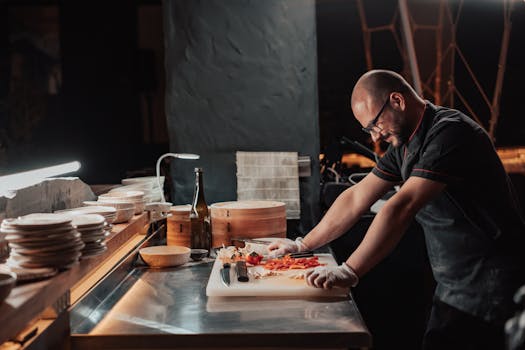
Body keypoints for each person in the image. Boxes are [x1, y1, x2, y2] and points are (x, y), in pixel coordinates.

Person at [268, 69, 525, 349]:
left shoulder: (451, 133)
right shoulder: (404, 144)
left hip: (494, 283)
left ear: (397, 101)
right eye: (369, 131)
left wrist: (349, 270)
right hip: (454, 283)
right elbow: (356, 197)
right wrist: (302, 244)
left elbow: (402, 206)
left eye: (375, 125)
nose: (376, 136)